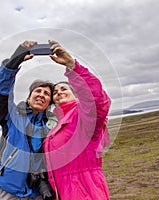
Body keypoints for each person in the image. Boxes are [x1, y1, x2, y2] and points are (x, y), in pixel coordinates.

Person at [0, 40, 56, 200]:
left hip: (37, 192)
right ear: (29, 97)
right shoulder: (11, 116)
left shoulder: (53, 126)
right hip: (6, 188)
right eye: (38, 91)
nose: (41, 95)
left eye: (46, 94)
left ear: (49, 103)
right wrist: (13, 61)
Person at [43, 40, 111, 200]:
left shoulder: (83, 116)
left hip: (85, 191)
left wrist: (73, 67)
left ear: (75, 94)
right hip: (64, 192)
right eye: (55, 91)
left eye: (64, 89)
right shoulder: (56, 126)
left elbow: (95, 99)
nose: (58, 92)